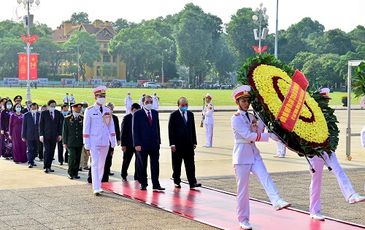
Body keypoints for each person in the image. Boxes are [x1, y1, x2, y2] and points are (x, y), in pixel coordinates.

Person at [231, 85, 290, 230]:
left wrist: (267, 117)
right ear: (237, 102)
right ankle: (243, 219)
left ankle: (276, 200)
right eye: (243, 100)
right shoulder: (235, 118)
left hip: (254, 154)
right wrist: (267, 136)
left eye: (247, 100)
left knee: (265, 177)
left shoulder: (252, 116)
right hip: (241, 157)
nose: (246, 103)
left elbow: (258, 129)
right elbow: (248, 135)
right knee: (243, 191)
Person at [308, 88, 365, 221]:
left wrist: (330, 145)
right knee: (316, 181)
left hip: (327, 149)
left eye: (327, 101)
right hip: (314, 152)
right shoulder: (309, 115)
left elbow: (333, 132)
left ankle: (351, 194)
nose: (326, 103)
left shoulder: (328, 116)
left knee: (338, 169)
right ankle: (314, 210)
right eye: (323, 101)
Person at [83, 86, 116, 195]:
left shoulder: (107, 110)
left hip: (105, 141)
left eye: (104, 96)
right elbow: (86, 127)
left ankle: (99, 184)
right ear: (95, 97)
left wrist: (113, 140)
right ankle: (95, 187)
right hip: (94, 141)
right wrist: (86, 143)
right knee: (95, 163)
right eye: (100, 96)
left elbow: (111, 126)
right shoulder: (90, 110)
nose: (102, 98)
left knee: (102, 164)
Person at [133, 95, 165, 191]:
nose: (149, 104)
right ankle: (143, 183)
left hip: (154, 144)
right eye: (147, 102)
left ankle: (156, 184)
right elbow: (135, 130)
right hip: (142, 144)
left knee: (155, 164)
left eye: (151, 102)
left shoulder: (155, 113)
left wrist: (158, 141)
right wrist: (137, 143)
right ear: (143, 103)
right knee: (143, 164)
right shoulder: (137, 114)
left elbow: (157, 128)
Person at [168, 97, 201, 189]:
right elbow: (171, 131)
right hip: (177, 145)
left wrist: (194, 142)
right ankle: (177, 181)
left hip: (189, 145)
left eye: (186, 105)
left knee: (190, 164)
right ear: (178, 105)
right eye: (183, 105)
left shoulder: (190, 114)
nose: (185, 106)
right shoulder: (174, 115)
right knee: (177, 164)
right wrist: (172, 144)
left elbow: (192, 129)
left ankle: (192, 182)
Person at [39, 99, 63, 173]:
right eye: (52, 106)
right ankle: (46, 166)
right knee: (47, 151)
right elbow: (41, 125)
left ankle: (49, 166)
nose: (53, 107)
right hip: (46, 136)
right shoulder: (44, 113)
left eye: (54, 106)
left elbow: (60, 125)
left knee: (52, 151)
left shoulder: (58, 113)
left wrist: (60, 134)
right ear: (48, 106)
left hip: (54, 136)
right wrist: (41, 135)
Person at [63, 103, 84, 180]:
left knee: (78, 158)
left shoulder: (82, 118)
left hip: (79, 142)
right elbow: (65, 131)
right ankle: (70, 173)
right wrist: (64, 142)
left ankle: (75, 173)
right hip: (70, 142)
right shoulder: (67, 118)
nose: (79, 109)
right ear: (73, 108)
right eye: (77, 108)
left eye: (80, 108)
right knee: (72, 157)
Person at [120, 103, 140, 181]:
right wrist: (123, 145)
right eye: (135, 110)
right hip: (128, 144)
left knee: (138, 161)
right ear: (132, 110)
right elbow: (123, 132)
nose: (136, 112)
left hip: (138, 144)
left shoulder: (140, 118)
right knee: (126, 160)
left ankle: (137, 176)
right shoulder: (127, 118)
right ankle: (124, 175)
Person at [102, 102, 120, 181]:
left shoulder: (115, 118)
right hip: (102, 141)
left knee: (109, 157)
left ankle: (107, 172)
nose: (110, 110)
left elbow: (117, 129)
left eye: (111, 109)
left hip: (111, 141)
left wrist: (118, 139)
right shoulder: (102, 116)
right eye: (109, 109)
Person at [21, 102, 40, 168]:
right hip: (29, 135)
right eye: (33, 108)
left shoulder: (39, 114)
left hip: (37, 135)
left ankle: (33, 160)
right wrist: (23, 135)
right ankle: (30, 162)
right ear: (30, 108)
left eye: (35, 108)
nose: (34, 109)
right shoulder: (26, 115)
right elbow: (24, 126)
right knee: (30, 149)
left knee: (35, 149)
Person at [79, 102, 90, 171]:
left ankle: (85, 165)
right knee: (81, 152)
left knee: (86, 153)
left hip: (87, 137)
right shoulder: (79, 116)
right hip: (80, 137)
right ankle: (80, 165)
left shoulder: (88, 115)